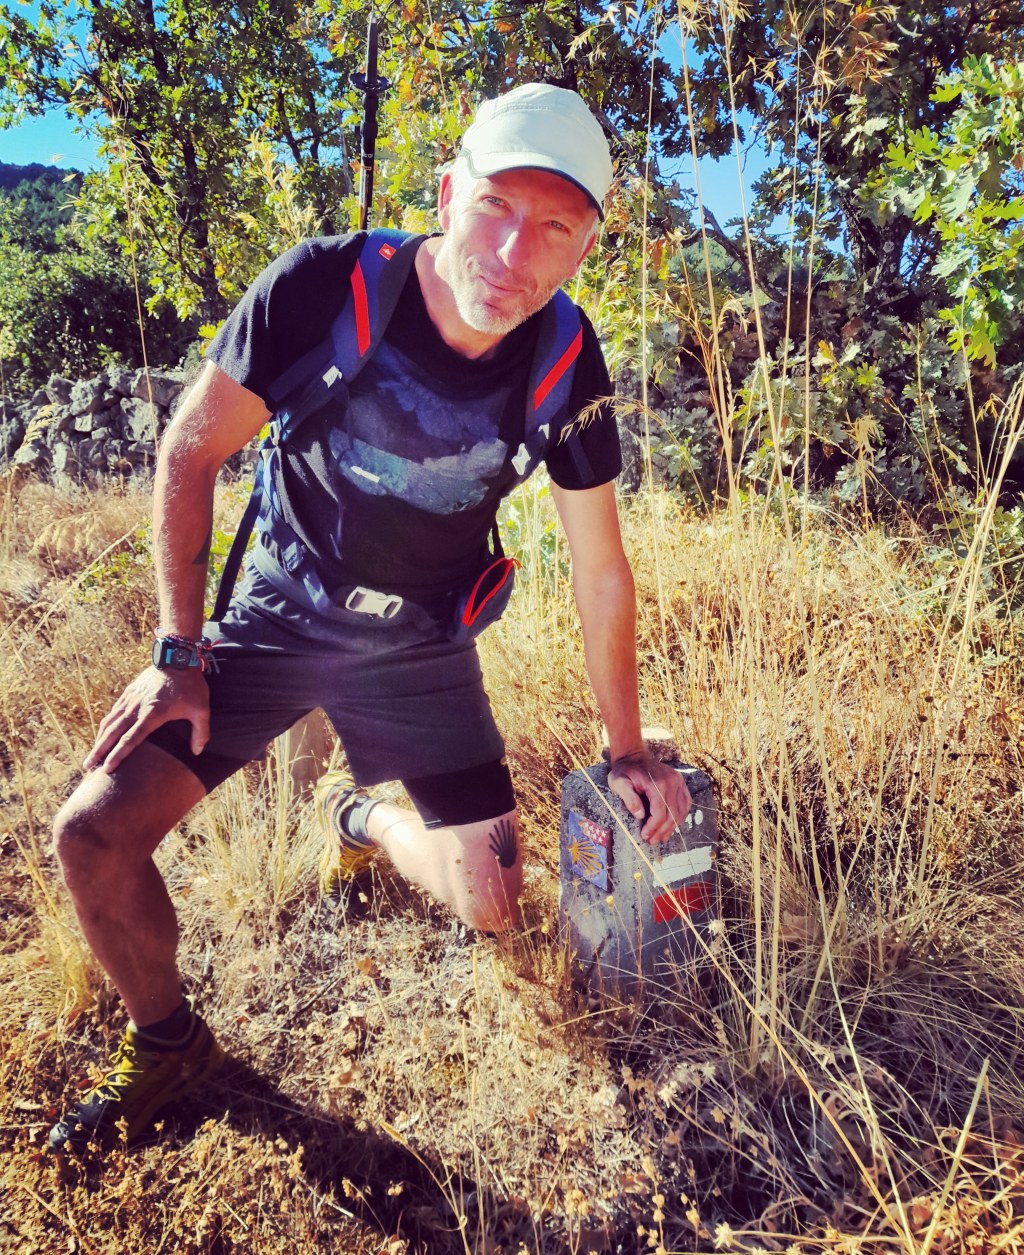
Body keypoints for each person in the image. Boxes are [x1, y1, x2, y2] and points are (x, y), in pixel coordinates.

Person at [47, 82, 692, 1153]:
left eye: (554, 229)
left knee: (490, 904)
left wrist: (627, 749)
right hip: (275, 616)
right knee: (92, 833)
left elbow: (600, 569)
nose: (512, 249)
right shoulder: (324, 287)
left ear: (585, 249)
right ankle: (169, 1044)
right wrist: (178, 649)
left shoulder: (566, 359)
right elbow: (190, 450)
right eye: (492, 206)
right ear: (446, 191)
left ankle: (358, 818)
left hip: (421, 645)